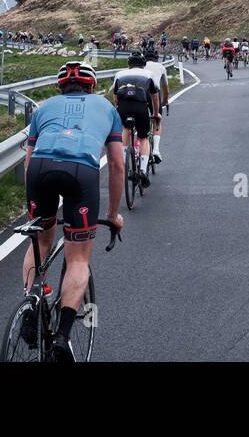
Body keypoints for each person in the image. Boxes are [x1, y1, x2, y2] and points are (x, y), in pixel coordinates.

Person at [23, 61, 125, 362]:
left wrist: (34, 208)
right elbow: (118, 164)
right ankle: (63, 337)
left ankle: (30, 301)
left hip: (40, 170)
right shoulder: (107, 108)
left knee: (40, 239)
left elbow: (28, 163)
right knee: (78, 257)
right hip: (80, 170)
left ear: (60, 87)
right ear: (91, 86)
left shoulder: (43, 109)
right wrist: (112, 214)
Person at [110, 51, 160, 187]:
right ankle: (143, 170)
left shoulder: (119, 74)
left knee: (126, 128)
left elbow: (115, 97)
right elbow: (155, 97)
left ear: (129, 64)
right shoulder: (149, 74)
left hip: (124, 107)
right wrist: (156, 113)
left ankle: (124, 160)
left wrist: (118, 110)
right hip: (140, 107)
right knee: (143, 138)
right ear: (144, 64)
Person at [142, 50, 170, 165]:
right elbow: (166, 89)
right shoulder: (160, 66)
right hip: (154, 94)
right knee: (157, 120)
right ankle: (156, 151)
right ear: (156, 58)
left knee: (140, 122)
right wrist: (165, 101)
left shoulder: (141, 66)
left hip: (140, 94)